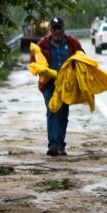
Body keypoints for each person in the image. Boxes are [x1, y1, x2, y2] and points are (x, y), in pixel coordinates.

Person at [33, 17, 83, 156]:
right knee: (52, 111)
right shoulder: (43, 43)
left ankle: (61, 145)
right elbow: (34, 58)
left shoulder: (72, 42)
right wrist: (40, 70)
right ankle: (53, 145)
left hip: (66, 85)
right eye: (54, 28)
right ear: (50, 30)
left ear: (63, 29)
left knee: (63, 113)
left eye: (59, 28)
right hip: (49, 83)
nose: (57, 31)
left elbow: (82, 57)